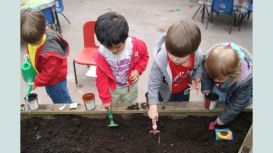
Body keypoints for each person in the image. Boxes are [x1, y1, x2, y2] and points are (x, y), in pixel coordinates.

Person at [147, 21, 203, 121]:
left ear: (192, 52)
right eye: (171, 54)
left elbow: (199, 66)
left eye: (180, 57)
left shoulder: (197, 56)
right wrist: (152, 106)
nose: (174, 59)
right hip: (165, 91)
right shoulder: (161, 59)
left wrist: (197, 78)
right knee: (165, 110)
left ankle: (179, 120)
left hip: (183, 89)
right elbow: (153, 83)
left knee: (181, 108)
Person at [94, 12, 149, 109]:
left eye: (118, 47)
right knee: (114, 107)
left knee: (130, 105)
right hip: (113, 88)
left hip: (130, 88)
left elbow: (145, 56)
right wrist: (105, 98)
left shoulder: (136, 46)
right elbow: (101, 77)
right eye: (108, 47)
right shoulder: (102, 54)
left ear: (125, 37)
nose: (114, 51)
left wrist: (138, 70)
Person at [21, 9, 72, 103]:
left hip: (56, 81)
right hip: (48, 79)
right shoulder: (37, 36)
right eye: (30, 43)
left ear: (44, 29)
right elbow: (32, 46)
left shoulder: (50, 53)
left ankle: (71, 114)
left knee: (62, 100)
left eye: (35, 42)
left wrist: (37, 82)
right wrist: (29, 54)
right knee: (53, 95)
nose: (32, 45)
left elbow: (49, 73)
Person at [201, 42, 252, 126]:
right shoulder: (209, 62)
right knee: (216, 101)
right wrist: (206, 88)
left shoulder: (243, 80)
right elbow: (205, 75)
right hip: (224, 87)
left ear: (233, 74)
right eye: (213, 76)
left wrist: (223, 118)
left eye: (219, 78)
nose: (215, 80)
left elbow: (239, 102)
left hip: (236, 92)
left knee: (228, 105)